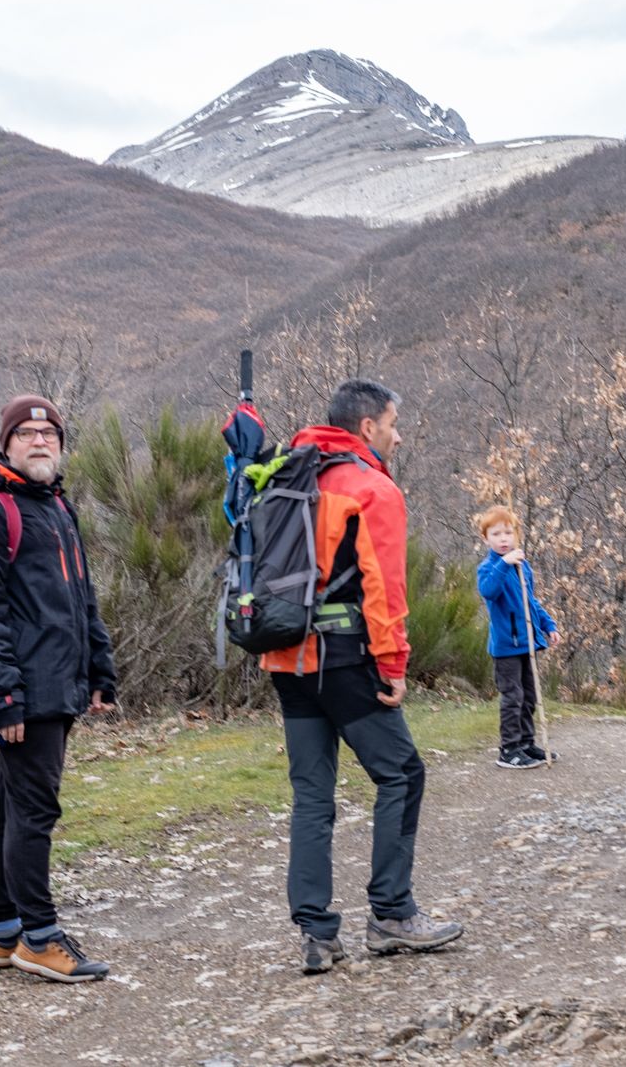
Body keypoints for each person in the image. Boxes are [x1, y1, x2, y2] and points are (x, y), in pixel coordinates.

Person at [262, 379, 463, 973]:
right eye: (393, 424)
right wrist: (394, 665)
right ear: (368, 426)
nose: (398, 436)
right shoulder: (370, 487)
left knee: (312, 793)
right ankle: (393, 914)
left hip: (285, 656)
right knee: (402, 772)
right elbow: (384, 588)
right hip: (346, 658)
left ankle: (316, 933)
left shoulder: (287, 474)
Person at [0, 395, 117, 984]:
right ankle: (41, 937)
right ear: (7, 445)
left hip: (60, 680)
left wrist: (100, 667)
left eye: (49, 433)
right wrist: (5, 695)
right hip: (28, 689)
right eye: (26, 434)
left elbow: (81, 597)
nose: (39, 441)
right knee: (34, 810)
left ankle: (4, 932)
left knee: (9, 804)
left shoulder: (56, 506)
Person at [474, 505, 559, 769]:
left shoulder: (523, 567)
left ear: (516, 535)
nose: (503, 539)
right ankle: (509, 749)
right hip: (506, 646)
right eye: (496, 534)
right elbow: (488, 591)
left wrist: (548, 625)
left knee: (530, 695)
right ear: (486, 538)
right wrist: (503, 564)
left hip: (527, 643)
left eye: (508, 533)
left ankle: (525, 742)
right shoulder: (489, 567)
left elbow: (530, 601)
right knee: (513, 697)